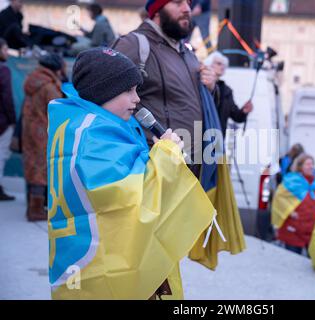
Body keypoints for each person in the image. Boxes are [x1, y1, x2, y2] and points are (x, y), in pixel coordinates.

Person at [47, 47, 215, 300]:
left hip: (100, 260)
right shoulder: (94, 136)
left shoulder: (89, 126)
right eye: (128, 90)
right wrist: (167, 154)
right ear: (102, 92)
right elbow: (130, 196)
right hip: (108, 265)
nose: (137, 99)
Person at [113, 0, 245, 271]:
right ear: (156, 10)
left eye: (188, 2)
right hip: (152, 171)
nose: (187, 8)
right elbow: (104, 95)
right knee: (141, 255)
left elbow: (192, 104)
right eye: (177, 2)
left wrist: (211, 87)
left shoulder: (186, 53)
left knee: (165, 259)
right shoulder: (135, 44)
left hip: (183, 170)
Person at [21, 52, 64, 221]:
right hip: (44, 132)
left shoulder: (33, 80)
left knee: (33, 168)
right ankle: (36, 210)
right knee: (41, 171)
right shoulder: (49, 86)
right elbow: (58, 110)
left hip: (30, 129)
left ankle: (32, 207)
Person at [271, 154, 315, 255]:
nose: (311, 166)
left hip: (311, 227)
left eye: (312, 164)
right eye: (307, 164)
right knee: (292, 259)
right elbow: (279, 197)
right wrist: (290, 211)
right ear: (300, 166)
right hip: (294, 227)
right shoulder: (291, 181)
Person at [204, 51, 253, 139]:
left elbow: (236, 116)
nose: (222, 67)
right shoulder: (201, 86)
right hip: (200, 136)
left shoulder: (226, 90)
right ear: (209, 64)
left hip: (218, 138)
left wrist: (244, 111)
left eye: (224, 65)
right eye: (219, 63)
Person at [0, 37, 16, 201]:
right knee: (1, 155)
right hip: (2, 123)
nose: (7, 53)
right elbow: (7, 98)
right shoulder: (4, 71)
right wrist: (12, 120)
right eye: (5, 49)